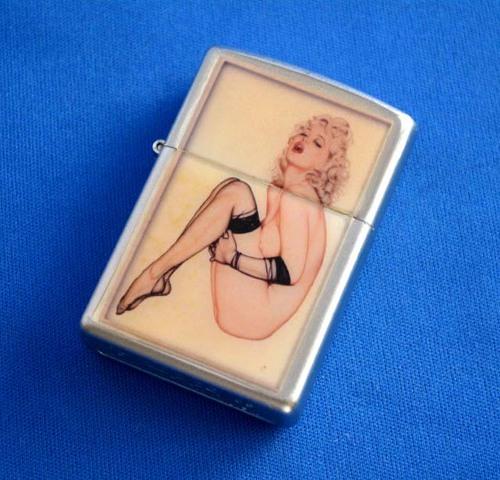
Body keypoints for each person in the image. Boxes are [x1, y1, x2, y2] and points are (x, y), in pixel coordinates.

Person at [116, 115, 351, 340]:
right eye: (304, 133)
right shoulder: (280, 191)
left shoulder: (298, 199)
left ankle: (154, 274)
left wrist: (232, 258)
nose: (304, 140)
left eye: (318, 143)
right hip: (250, 306)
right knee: (232, 187)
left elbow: (290, 273)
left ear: (327, 165)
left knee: (236, 192)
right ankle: (161, 275)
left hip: (253, 315)